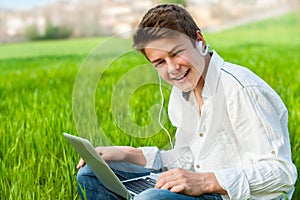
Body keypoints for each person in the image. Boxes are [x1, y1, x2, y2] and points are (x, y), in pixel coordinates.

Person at [76, 4, 297, 200]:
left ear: (199, 41)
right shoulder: (182, 91)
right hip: (202, 187)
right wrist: (128, 154)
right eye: (160, 62)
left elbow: (282, 173)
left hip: (234, 196)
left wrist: (204, 181)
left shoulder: (240, 90)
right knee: (91, 174)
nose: (172, 69)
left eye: (177, 53)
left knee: (151, 198)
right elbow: (188, 160)